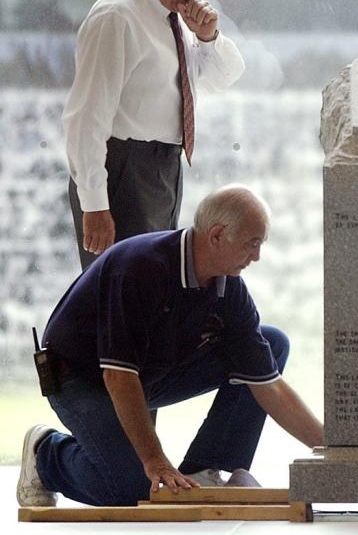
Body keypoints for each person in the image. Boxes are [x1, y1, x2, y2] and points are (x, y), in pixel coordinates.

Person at [17, 185, 325, 507]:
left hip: (145, 374)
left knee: (271, 344)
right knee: (134, 491)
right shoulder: (140, 267)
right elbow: (118, 377)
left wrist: (329, 448)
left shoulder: (229, 286)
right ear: (217, 235)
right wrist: (156, 462)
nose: (257, 256)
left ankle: (208, 469)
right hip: (81, 378)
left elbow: (268, 386)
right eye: (252, 244)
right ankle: (46, 454)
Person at [64, 0, 245, 270]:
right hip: (122, 171)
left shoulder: (176, 13)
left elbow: (223, 78)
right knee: (122, 296)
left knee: (151, 295)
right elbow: (85, 118)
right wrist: (95, 204)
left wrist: (208, 37)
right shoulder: (116, 17)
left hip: (164, 168)